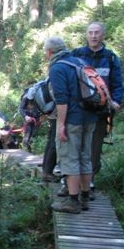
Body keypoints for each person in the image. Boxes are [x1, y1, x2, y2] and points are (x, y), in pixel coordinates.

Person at [45, 36, 97, 213]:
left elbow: (62, 99)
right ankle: (84, 196)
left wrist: (61, 124)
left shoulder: (58, 67)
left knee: (70, 158)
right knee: (85, 156)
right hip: (90, 116)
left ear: (50, 52)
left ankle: (73, 201)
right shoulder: (79, 62)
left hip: (73, 119)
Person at [71, 21, 124, 188]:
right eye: (90, 32)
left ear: (103, 35)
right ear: (86, 35)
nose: (93, 36)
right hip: (79, 108)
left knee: (95, 146)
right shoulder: (76, 54)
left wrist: (116, 101)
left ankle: (89, 180)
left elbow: (117, 83)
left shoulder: (110, 57)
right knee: (75, 143)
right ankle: (71, 179)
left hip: (101, 109)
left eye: (97, 33)